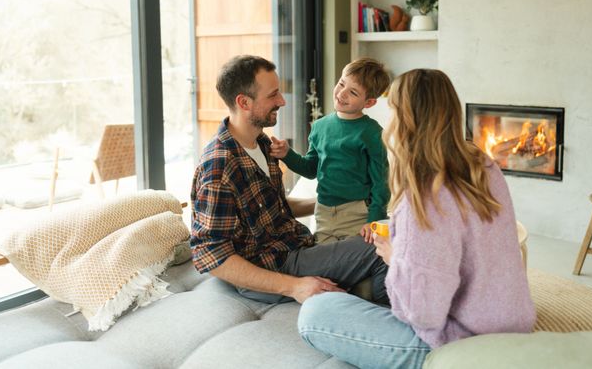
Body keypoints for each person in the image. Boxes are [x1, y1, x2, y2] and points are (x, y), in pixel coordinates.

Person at [297, 68, 536, 368]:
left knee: (315, 312)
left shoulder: (424, 196)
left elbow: (423, 314)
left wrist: (394, 257)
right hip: (512, 327)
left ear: (403, 120)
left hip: (459, 345)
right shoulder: (483, 165)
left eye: (393, 112)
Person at [189, 55, 388, 305]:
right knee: (385, 248)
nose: (282, 101)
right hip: (276, 266)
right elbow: (209, 253)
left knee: (389, 235)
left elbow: (273, 206)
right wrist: (295, 287)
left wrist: (334, 204)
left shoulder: (261, 143)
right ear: (244, 102)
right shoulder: (219, 167)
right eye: (273, 95)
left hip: (295, 247)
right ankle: (392, 322)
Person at [270, 58, 391, 244]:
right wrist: (288, 154)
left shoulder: (372, 133)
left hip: (357, 214)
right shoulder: (319, 127)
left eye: (353, 92)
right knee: (326, 265)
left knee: (353, 266)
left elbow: (380, 183)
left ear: (369, 103)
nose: (342, 94)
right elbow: (311, 169)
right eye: (341, 84)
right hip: (324, 212)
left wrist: (374, 220)